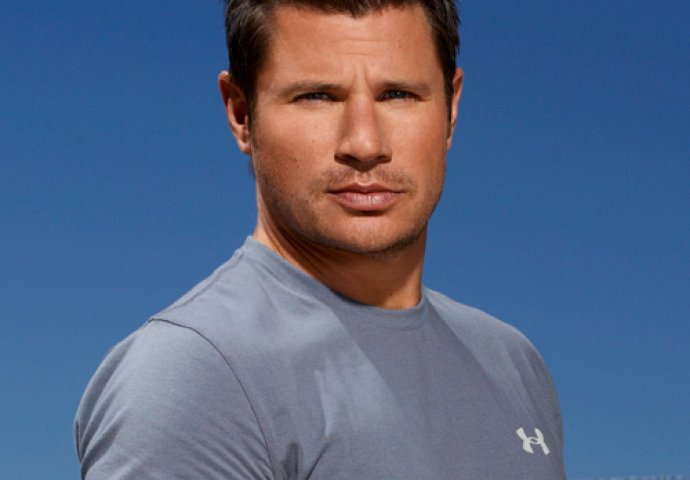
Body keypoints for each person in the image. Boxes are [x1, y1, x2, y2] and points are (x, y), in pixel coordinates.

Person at [74, 0, 566, 478]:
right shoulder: (196, 377)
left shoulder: (513, 364)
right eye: (318, 96)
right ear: (242, 114)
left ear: (451, 109)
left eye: (397, 94)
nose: (365, 144)